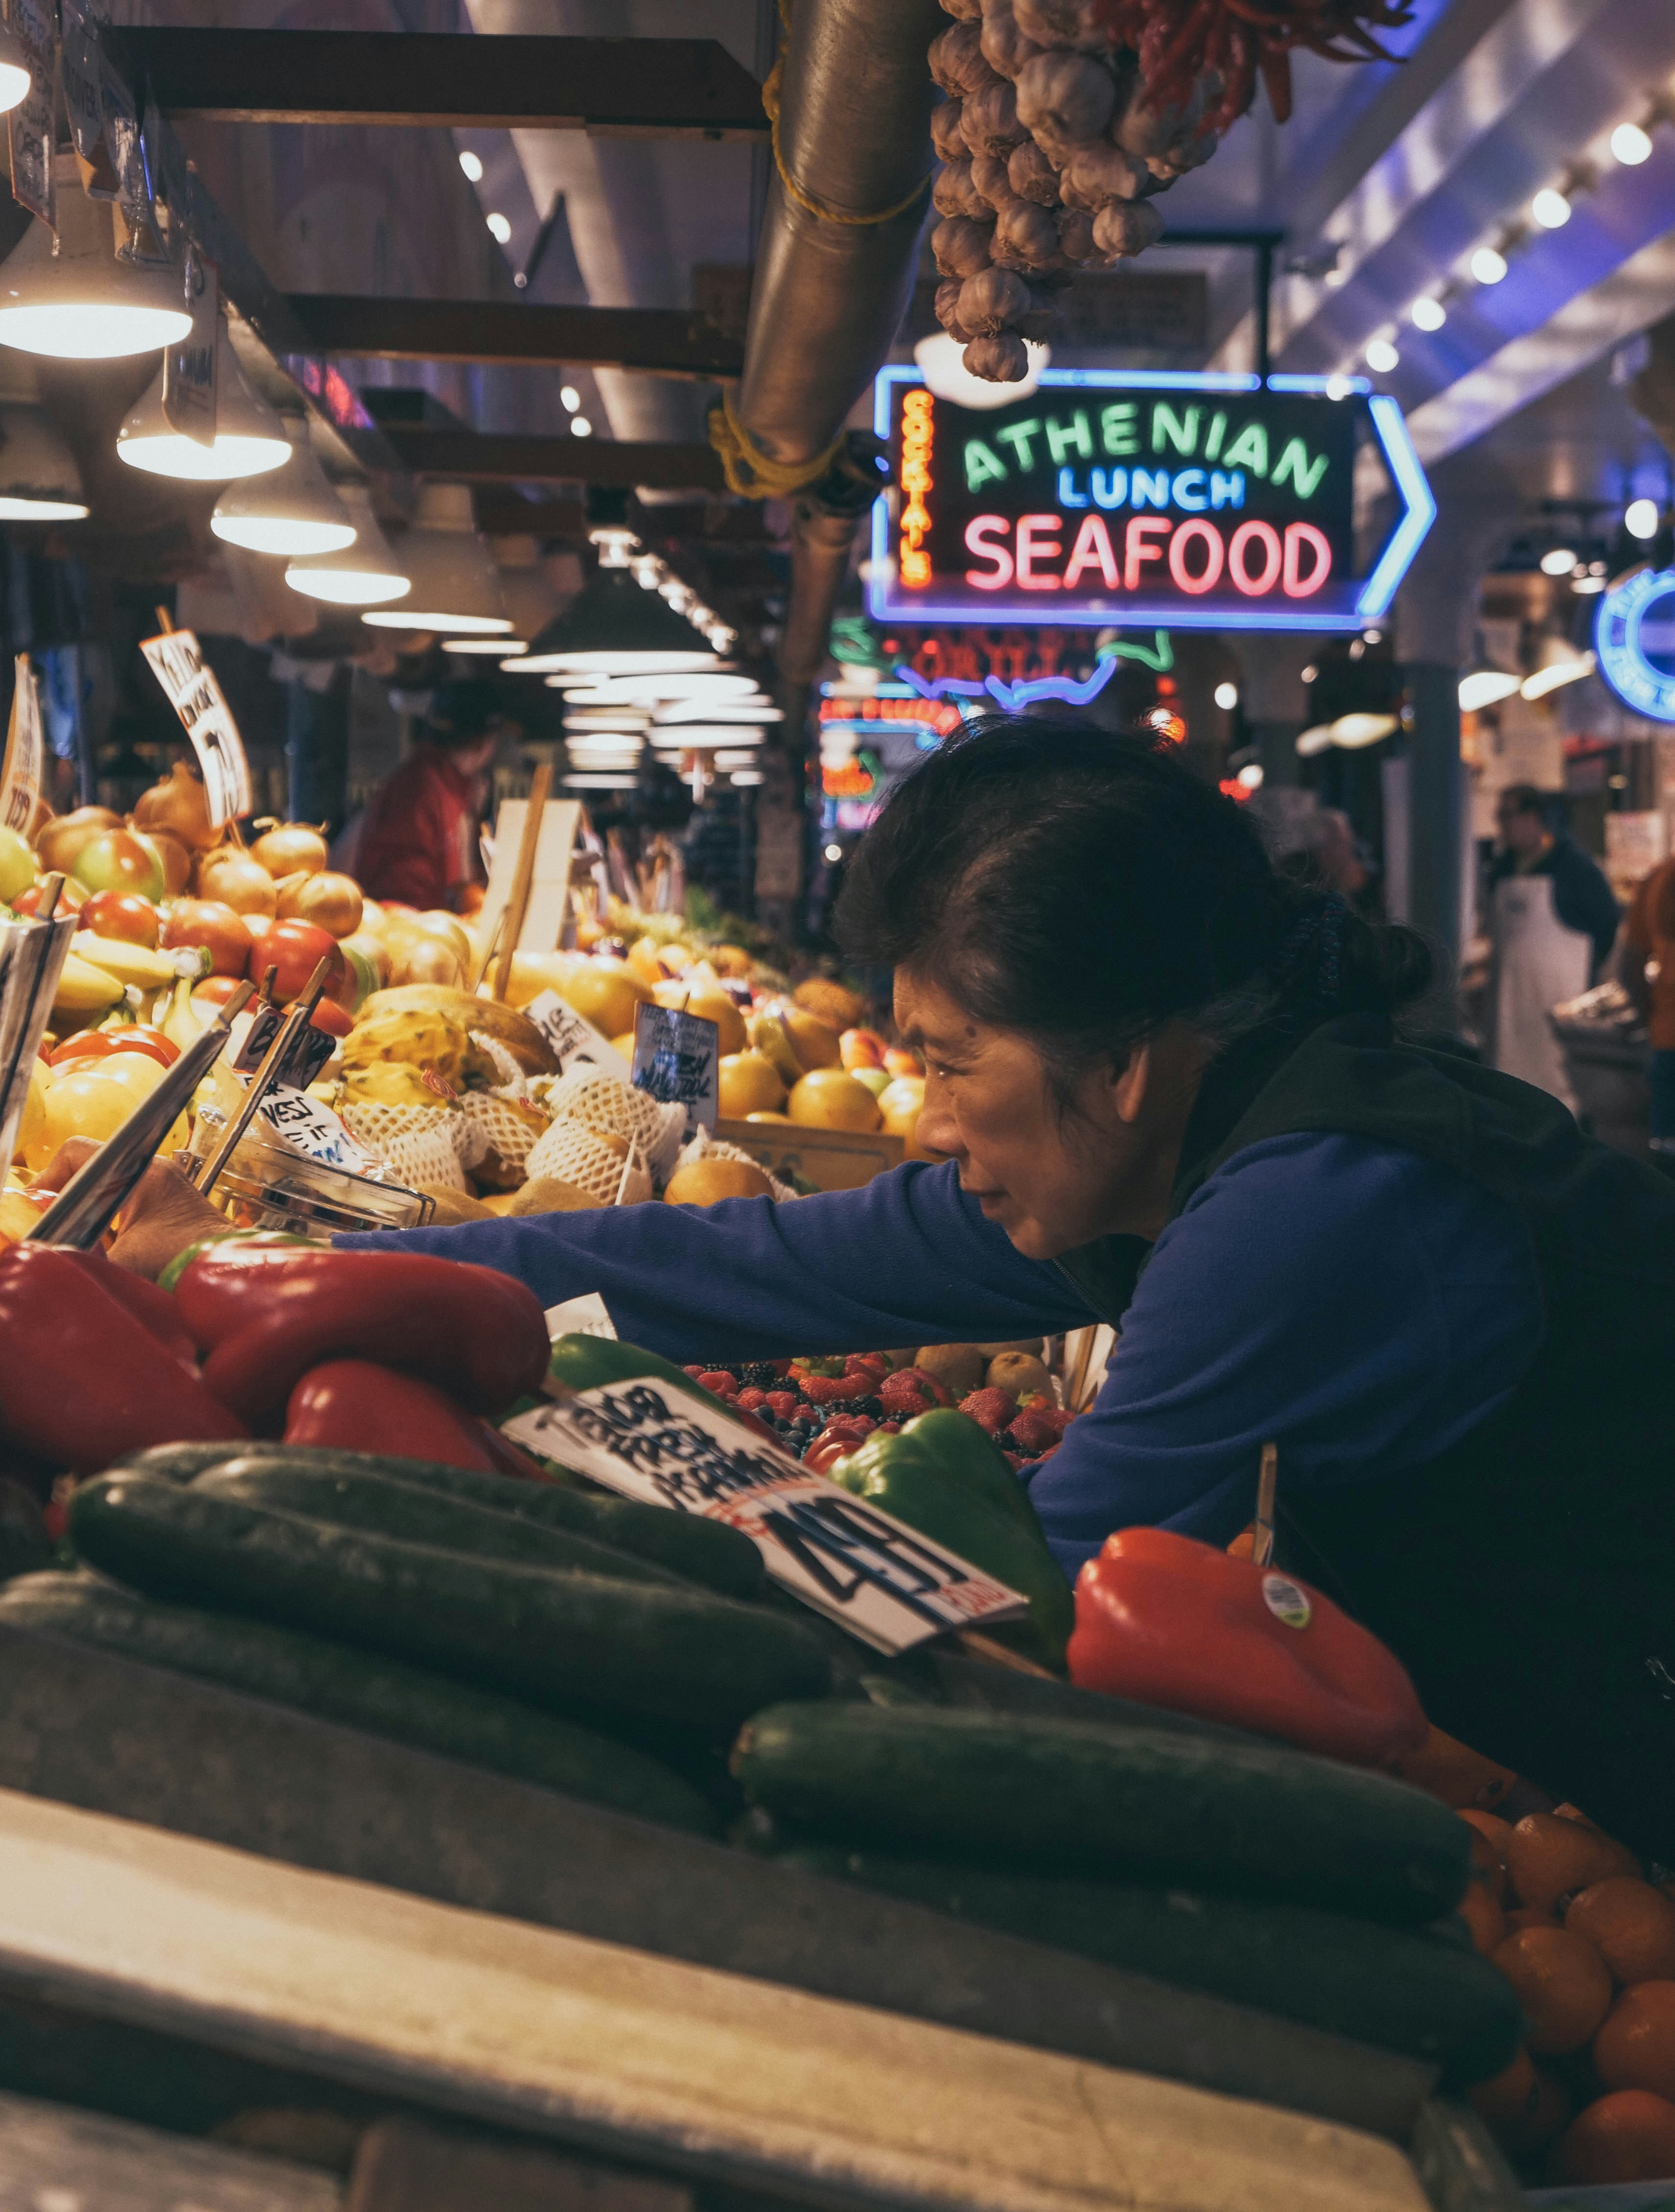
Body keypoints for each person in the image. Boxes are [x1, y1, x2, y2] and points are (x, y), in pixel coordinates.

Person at [97, 721, 1675, 1853]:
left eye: (946, 1060)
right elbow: (723, 1259)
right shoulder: (1177, 1137)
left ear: (1119, 1061)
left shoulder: (1306, 1214)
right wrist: (267, 1270)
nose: (919, 1121)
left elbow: (1025, 1616)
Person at [1485, 785, 1620, 1109]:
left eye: (1507, 815)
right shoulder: (1501, 869)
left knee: (1554, 1096)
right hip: (1506, 1009)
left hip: (1556, 1007)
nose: (1501, 824)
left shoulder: (1573, 867)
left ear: (1533, 818)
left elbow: (1606, 921)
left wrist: (1586, 970)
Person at [354, 681, 515, 913]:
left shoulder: (446, 787)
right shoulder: (421, 789)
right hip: (410, 935)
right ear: (486, 742)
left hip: (429, 932)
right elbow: (404, 888)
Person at [1619, 851, 1675, 1160]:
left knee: (1666, 1170)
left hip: (1668, 1042)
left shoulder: (1659, 878)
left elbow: (1629, 966)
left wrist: (1650, 1016)